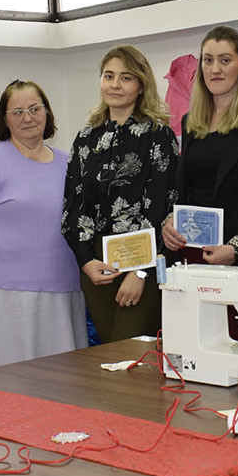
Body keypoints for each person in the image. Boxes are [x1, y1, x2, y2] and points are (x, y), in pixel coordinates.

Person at [0, 80, 85, 369]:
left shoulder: (70, 163)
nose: (28, 117)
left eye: (35, 109)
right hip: (6, 295)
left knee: (64, 378)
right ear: (5, 120)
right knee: (11, 376)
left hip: (64, 290)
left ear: (47, 112)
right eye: (17, 112)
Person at [61, 45, 179, 344]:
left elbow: (163, 207)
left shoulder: (158, 135)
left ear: (141, 85)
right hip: (97, 265)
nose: (115, 84)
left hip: (145, 263)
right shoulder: (86, 138)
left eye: (126, 78)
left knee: (132, 351)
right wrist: (86, 262)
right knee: (110, 352)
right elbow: (74, 205)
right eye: (108, 76)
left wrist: (140, 273)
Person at [162, 26, 238, 271]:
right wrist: (171, 221)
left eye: (225, 60)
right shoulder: (190, 122)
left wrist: (236, 248)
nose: (215, 69)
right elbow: (187, 190)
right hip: (194, 253)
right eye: (208, 60)